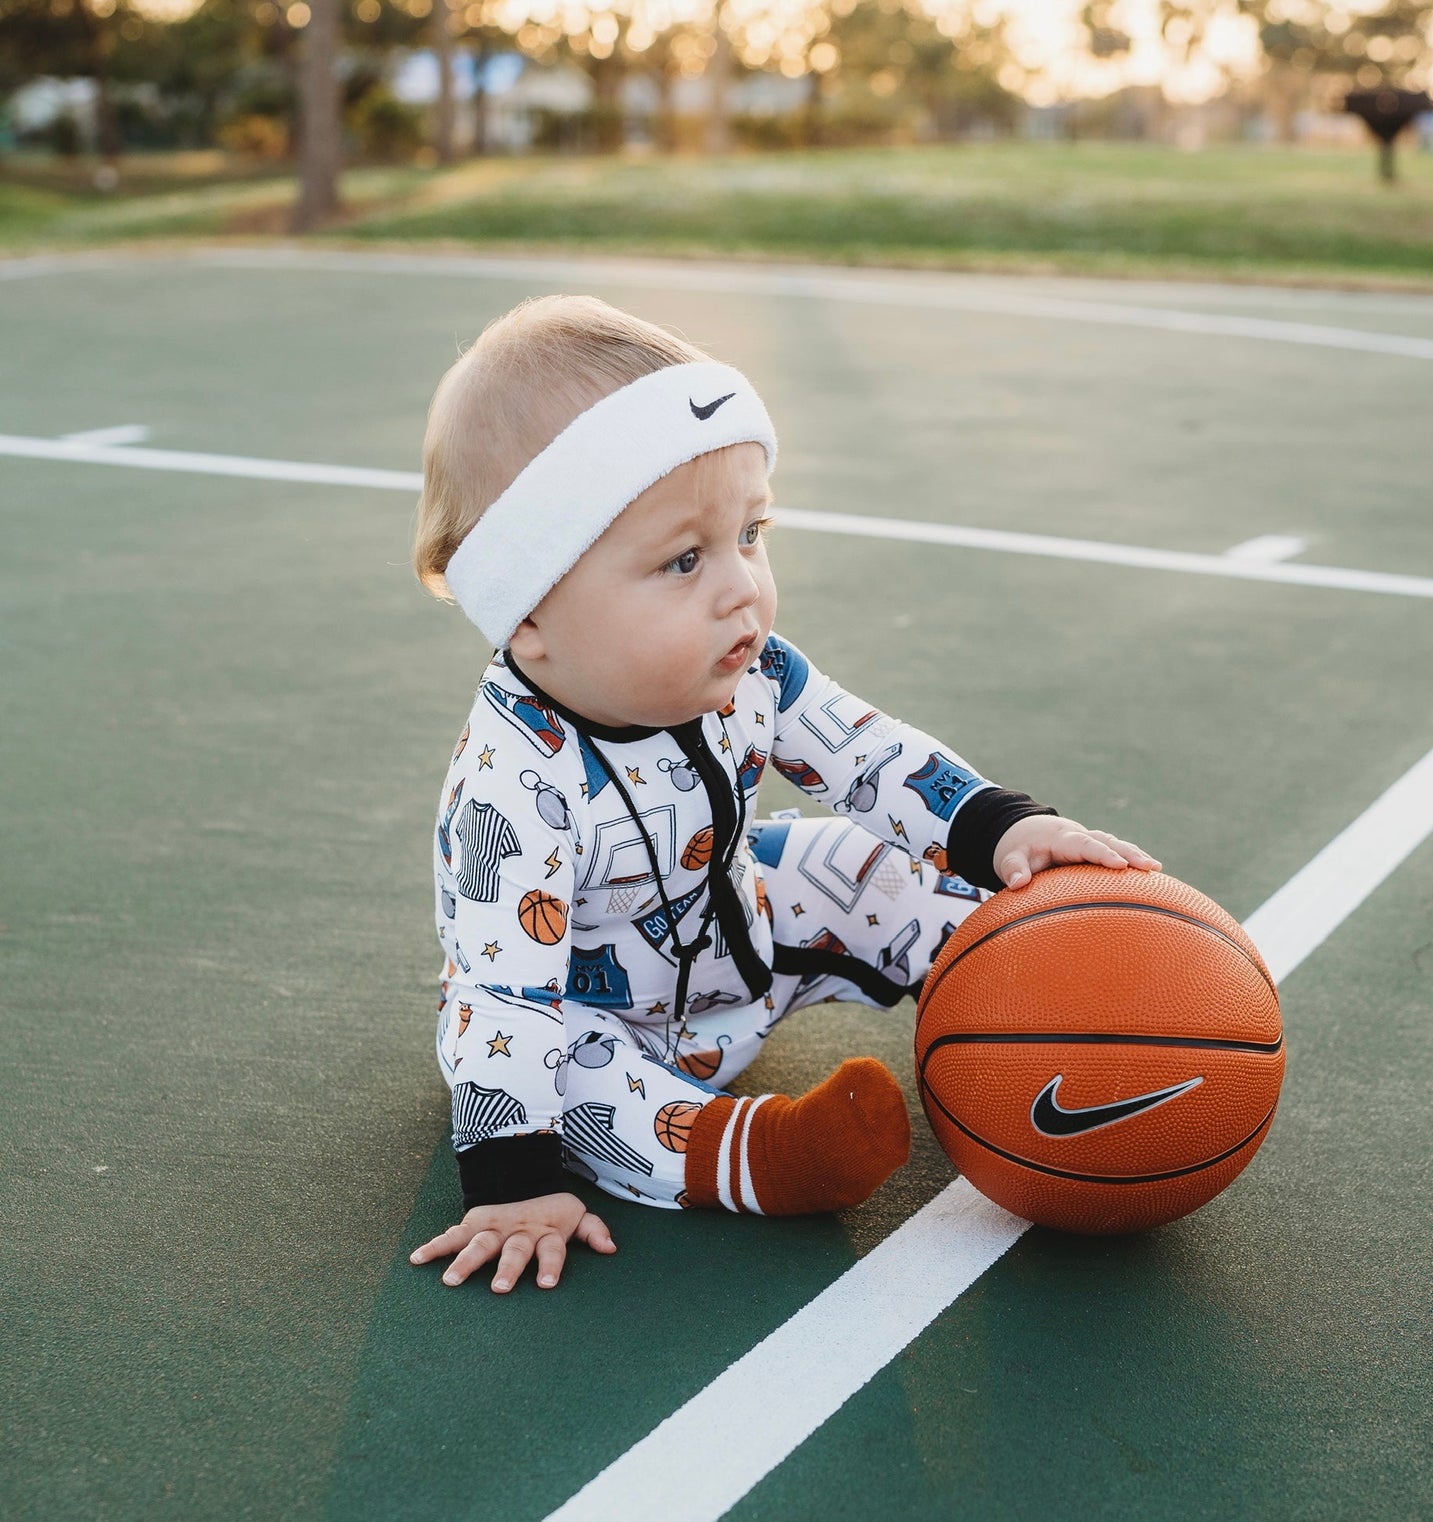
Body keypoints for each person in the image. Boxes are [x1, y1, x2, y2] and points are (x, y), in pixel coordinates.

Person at [407, 294, 1160, 1295]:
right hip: (600, 1018)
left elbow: (866, 755)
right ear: (530, 610)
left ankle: (1029, 983)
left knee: (848, 861)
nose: (740, 589)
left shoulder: (751, 669)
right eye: (683, 559)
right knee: (586, 1085)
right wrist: (508, 1180)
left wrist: (999, 828)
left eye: (750, 534)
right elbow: (502, 995)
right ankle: (760, 1153)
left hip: (736, 931)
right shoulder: (516, 788)